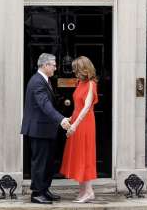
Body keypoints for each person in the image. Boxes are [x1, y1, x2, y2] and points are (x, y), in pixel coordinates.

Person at [21, 53, 71, 204]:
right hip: (38, 130)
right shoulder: (37, 81)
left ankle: (44, 189)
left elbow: (49, 103)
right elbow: (44, 105)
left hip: (46, 129)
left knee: (48, 162)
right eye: (53, 65)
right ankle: (36, 193)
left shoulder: (46, 80)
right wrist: (61, 119)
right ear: (44, 65)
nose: (56, 67)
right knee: (40, 162)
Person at [60, 56, 98, 203]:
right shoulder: (79, 83)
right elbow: (77, 106)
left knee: (85, 154)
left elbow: (87, 107)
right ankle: (83, 190)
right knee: (78, 154)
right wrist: (71, 118)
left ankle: (89, 191)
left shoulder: (91, 84)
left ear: (84, 69)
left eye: (76, 69)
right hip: (76, 120)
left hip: (85, 123)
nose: (74, 72)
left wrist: (75, 125)